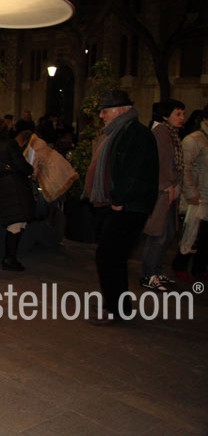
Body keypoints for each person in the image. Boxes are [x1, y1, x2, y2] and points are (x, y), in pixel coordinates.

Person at [85, 90, 158, 325]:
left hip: (127, 207)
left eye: (105, 110)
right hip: (116, 205)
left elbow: (133, 172)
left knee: (108, 257)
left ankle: (115, 309)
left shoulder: (136, 133)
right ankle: (117, 305)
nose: (101, 115)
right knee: (113, 257)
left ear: (120, 110)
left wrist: (118, 200)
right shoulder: (118, 131)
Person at [140, 99, 185, 291]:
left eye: (182, 114)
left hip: (169, 190)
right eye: (178, 114)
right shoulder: (161, 133)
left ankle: (156, 272)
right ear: (166, 115)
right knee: (158, 234)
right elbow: (158, 163)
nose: (182, 118)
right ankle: (149, 274)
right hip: (162, 192)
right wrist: (167, 186)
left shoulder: (171, 133)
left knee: (167, 233)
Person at [0, 116, 35, 271]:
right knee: (17, 222)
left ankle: (10, 258)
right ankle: (10, 258)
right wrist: (30, 169)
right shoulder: (10, 145)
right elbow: (22, 166)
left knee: (12, 221)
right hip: (14, 187)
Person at [172, 106, 208, 282]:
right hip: (198, 196)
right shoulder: (194, 140)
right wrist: (191, 193)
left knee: (205, 236)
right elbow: (184, 168)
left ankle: (200, 267)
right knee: (192, 233)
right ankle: (180, 265)